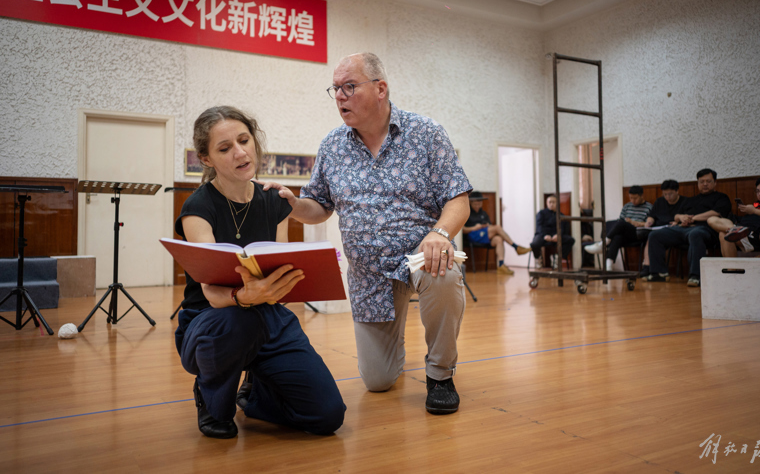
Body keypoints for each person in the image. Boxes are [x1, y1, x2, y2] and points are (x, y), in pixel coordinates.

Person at [263, 53, 471, 415]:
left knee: (443, 271)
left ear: (380, 89)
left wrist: (440, 233)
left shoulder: (426, 134)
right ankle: (395, 344)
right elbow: (320, 206)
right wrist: (294, 204)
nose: (340, 96)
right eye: (335, 89)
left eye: (349, 87)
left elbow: (459, 200)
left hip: (421, 256)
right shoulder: (332, 146)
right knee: (377, 381)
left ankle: (440, 374)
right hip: (369, 277)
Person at [174, 106, 346, 439]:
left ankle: (254, 392)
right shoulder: (197, 208)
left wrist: (283, 284)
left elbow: (276, 265)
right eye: (224, 148)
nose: (239, 152)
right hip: (212, 319)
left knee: (328, 416)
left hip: (268, 315)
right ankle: (211, 398)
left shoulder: (274, 200)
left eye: (244, 140)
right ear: (206, 159)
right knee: (238, 320)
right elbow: (210, 289)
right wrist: (242, 296)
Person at [647, 168, 732, 287]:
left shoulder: (721, 198)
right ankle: (659, 272)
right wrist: (682, 217)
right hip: (684, 229)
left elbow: (716, 213)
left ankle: (695, 276)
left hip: (707, 230)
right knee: (655, 235)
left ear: (715, 182)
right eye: (701, 181)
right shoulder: (691, 200)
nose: (705, 184)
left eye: (708, 181)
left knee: (695, 234)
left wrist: (694, 218)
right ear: (697, 183)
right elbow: (676, 215)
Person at [706, 176, 760, 257]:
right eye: (757, 191)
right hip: (744, 229)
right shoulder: (756, 204)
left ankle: (732, 269)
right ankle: (736, 230)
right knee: (712, 220)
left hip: (757, 235)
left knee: (724, 234)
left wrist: (754, 211)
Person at [585, 185, 652, 271]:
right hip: (625, 233)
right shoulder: (627, 206)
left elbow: (649, 224)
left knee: (621, 223)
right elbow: (620, 221)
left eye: (635, 198)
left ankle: (603, 244)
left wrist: (634, 223)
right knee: (617, 235)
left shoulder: (649, 207)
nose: (632, 201)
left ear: (642, 196)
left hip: (637, 233)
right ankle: (609, 264)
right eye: (631, 198)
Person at [462, 191, 531, 275]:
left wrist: (487, 226)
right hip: (473, 235)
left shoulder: (483, 213)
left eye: (479, 204)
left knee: (498, 239)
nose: (477, 206)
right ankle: (516, 247)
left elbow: (490, 227)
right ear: (471, 203)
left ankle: (501, 264)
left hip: (485, 235)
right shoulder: (466, 212)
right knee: (497, 227)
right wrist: (475, 227)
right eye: (475, 204)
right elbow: (462, 229)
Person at [638, 180, 686, 278]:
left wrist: (677, 222)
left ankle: (648, 268)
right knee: (650, 236)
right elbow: (652, 216)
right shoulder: (659, 201)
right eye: (665, 194)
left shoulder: (685, 202)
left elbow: (686, 218)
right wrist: (649, 222)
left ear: (677, 191)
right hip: (658, 228)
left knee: (653, 237)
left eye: (670, 194)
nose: (668, 197)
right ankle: (647, 267)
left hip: (673, 230)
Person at [530, 195, 575, 269]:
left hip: (556, 236)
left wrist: (558, 235)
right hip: (543, 235)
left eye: (553, 202)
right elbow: (539, 226)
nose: (551, 204)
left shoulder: (560, 215)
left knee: (570, 240)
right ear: (546, 203)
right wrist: (544, 235)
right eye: (550, 202)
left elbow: (563, 227)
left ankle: (557, 257)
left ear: (557, 203)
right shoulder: (541, 213)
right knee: (534, 244)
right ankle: (538, 258)